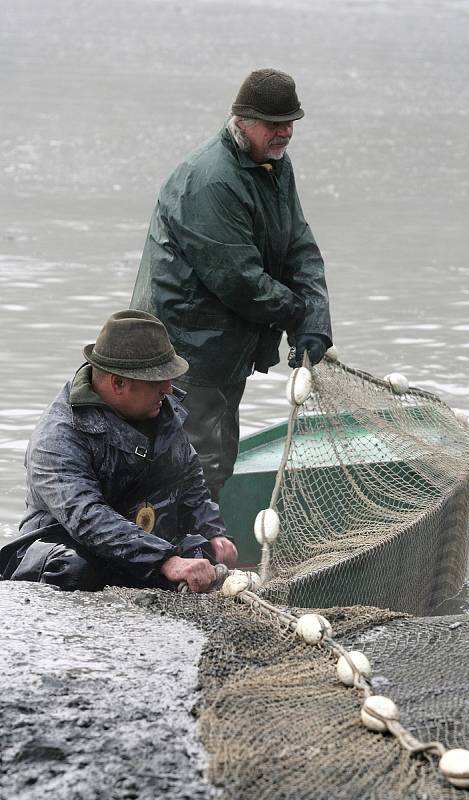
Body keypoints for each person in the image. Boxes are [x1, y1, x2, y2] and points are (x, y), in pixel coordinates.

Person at [130, 68, 333, 501]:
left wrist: (315, 318)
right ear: (242, 119)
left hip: (227, 347)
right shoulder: (211, 179)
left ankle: (195, 549)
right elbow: (240, 281)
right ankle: (175, 558)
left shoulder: (273, 166)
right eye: (273, 123)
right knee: (193, 464)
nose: (284, 133)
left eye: (290, 122)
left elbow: (298, 243)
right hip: (186, 351)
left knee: (216, 457)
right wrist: (298, 315)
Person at [0, 310, 237, 592]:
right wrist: (164, 559)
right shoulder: (57, 436)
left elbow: (188, 477)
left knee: (200, 554)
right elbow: (87, 517)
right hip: (66, 545)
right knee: (74, 569)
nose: (168, 388)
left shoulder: (160, 409)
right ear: (118, 383)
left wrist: (213, 532)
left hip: (146, 541)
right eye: (157, 381)